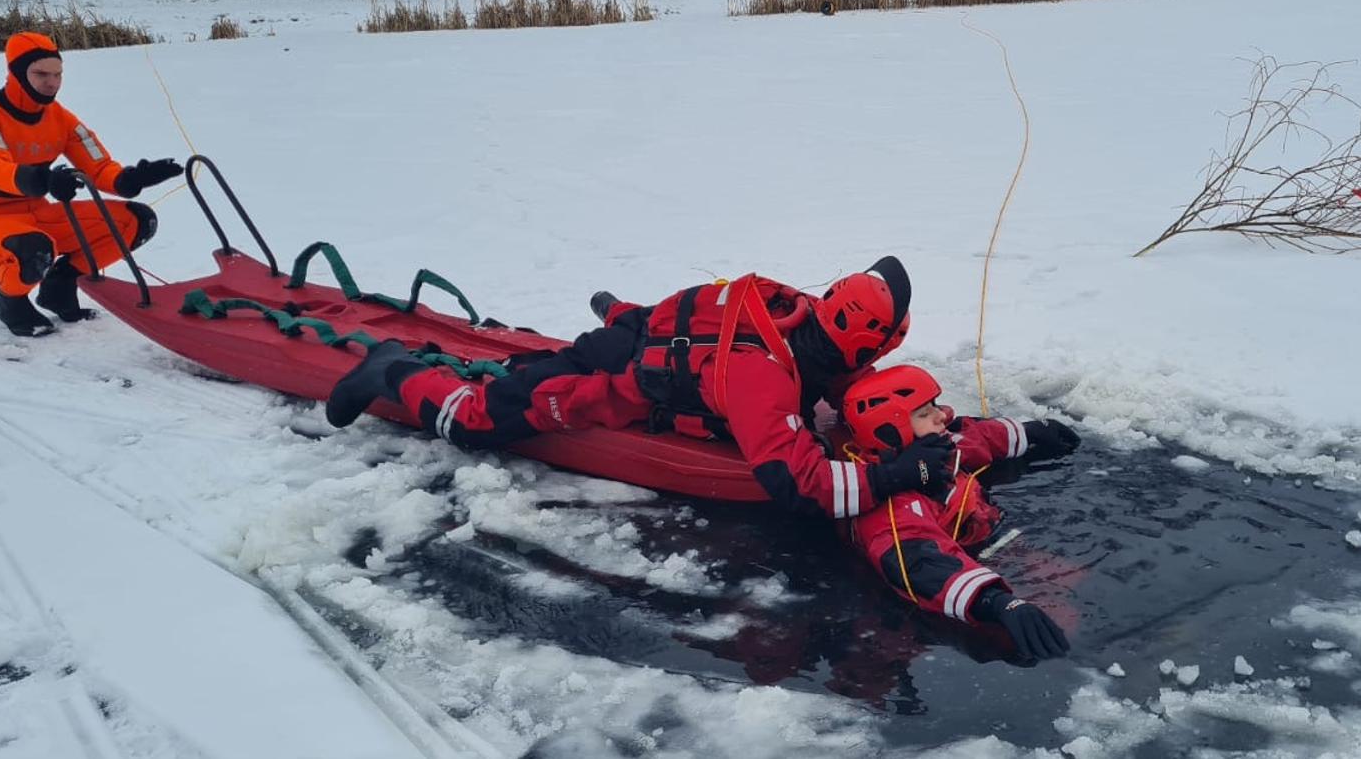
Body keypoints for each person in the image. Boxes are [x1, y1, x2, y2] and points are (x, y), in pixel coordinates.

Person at [324, 257, 957, 519]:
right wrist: (895, 477)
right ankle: (391, 368)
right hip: (619, 367)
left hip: (652, 328)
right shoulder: (762, 373)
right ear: (858, 333)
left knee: (635, 327)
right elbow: (794, 483)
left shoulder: (807, 316)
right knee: (474, 423)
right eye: (880, 346)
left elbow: (849, 387)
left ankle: (616, 310)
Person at [838, 364, 1080, 661]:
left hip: (996, 544)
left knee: (1075, 576)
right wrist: (996, 602)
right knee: (1059, 627)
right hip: (965, 575)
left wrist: (1030, 433)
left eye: (934, 406)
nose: (941, 416)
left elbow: (974, 437)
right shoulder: (890, 508)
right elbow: (919, 563)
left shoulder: (935, 451)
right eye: (925, 414)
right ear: (892, 431)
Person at [0, 32, 184, 336]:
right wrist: (44, 180)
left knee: (136, 221)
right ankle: (12, 302)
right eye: (41, 74)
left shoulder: (59, 118)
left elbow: (98, 166)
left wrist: (131, 179)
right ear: (17, 73)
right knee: (34, 248)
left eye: (58, 74)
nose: (52, 82)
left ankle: (60, 286)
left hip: (38, 216)